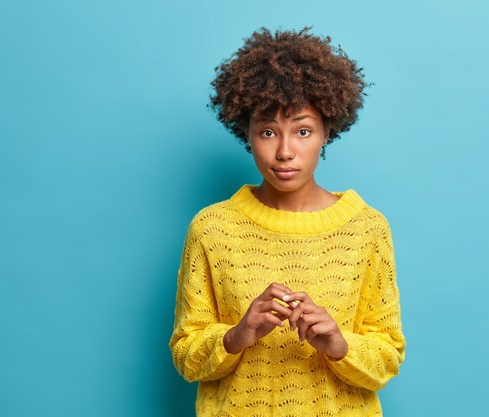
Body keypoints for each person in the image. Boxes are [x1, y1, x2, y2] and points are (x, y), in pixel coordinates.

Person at [169, 26, 407, 416]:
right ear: (245, 132)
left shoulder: (366, 228)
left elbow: (387, 355)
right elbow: (186, 355)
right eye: (267, 131)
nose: (284, 151)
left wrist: (338, 344)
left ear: (327, 131)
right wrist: (237, 335)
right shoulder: (211, 228)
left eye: (302, 131)